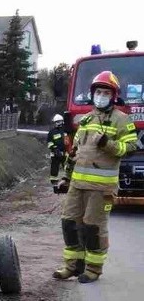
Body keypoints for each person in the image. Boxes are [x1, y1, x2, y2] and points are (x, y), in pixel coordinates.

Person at [52, 71, 138, 283]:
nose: (101, 95)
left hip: (102, 188)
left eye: (105, 92)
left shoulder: (122, 120)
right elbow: (75, 152)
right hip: (77, 185)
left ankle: (93, 269)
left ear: (113, 95)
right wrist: (66, 177)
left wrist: (107, 144)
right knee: (69, 222)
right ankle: (72, 266)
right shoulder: (87, 119)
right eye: (98, 91)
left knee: (93, 227)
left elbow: (131, 148)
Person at [47, 114, 67, 189]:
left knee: (67, 166)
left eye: (58, 121)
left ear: (62, 121)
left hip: (65, 153)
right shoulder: (52, 132)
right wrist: (54, 149)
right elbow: (49, 142)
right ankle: (53, 180)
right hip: (55, 153)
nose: (57, 123)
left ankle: (67, 179)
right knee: (54, 167)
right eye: (56, 122)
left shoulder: (66, 130)